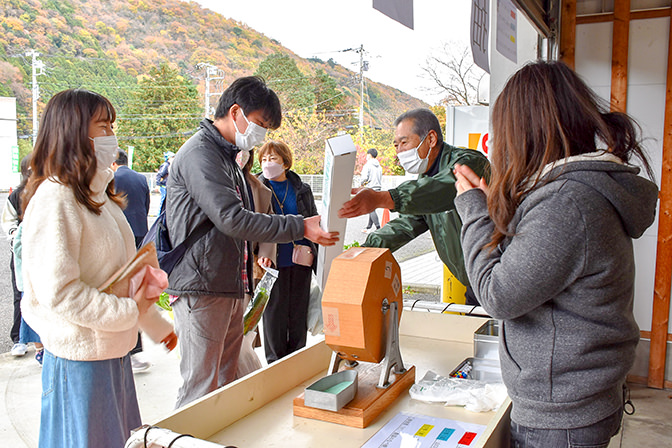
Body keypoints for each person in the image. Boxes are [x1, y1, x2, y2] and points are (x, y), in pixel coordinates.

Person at [453, 61, 658, 448]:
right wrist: (493, 207)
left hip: (561, 416)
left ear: (523, 131)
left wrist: (474, 209)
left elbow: (497, 294)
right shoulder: (574, 190)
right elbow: (535, 259)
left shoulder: (567, 203)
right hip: (581, 398)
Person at [166, 76, 338, 408]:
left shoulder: (227, 157)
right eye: (259, 124)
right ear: (235, 112)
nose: (260, 136)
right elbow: (233, 219)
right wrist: (299, 226)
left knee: (224, 384)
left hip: (227, 285)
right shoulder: (201, 154)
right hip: (202, 288)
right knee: (201, 388)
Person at [20, 89, 177, 448]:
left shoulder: (99, 197)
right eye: (102, 126)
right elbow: (59, 292)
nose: (111, 136)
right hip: (81, 359)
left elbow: (118, 278)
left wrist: (154, 323)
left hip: (111, 351)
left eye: (111, 126)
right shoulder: (55, 199)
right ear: (72, 131)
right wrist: (128, 312)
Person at [339, 108, 489, 303]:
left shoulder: (469, 162)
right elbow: (406, 224)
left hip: (499, 276)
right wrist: (363, 251)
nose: (400, 151)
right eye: (396, 145)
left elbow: (441, 190)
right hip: (474, 284)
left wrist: (382, 198)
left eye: (404, 142)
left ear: (431, 139)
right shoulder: (425, 179)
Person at [257, 140, 318, 364]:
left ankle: (297, 359)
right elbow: (254, 224)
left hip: (301, 260)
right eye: (264, 159)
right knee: (274, 315)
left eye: (272, 159)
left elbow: (313, 220)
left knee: (298, 312)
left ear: (285, 162)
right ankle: (275, 363)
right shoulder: (257, 187)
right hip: (272, 262)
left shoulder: (301, 189)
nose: (267, 163)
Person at [236, 148, 275, 378]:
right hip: (216, 272)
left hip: (248, 267)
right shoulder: (211, 179)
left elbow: (269, 224)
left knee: (244, 329)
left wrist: (266, 252)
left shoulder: (259, 188)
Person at [112, 148, 152, 373]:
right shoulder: (140, 178)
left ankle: (131, 350)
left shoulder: (112, 178)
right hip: (140, 234)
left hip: (120, 236)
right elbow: (146, 206)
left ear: (114, 163)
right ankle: (135, 349)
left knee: (123, 291)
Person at [2, 154, 31, 357]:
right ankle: (19, 339)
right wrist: (15, 235)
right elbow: (8, 222)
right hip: (21, 254)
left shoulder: (49, 192)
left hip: (45, 251)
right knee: (20, 293)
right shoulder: (17, 195)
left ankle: (40, 340)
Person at [359, 148, 383, 233]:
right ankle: (368, 227)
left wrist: (361, 183)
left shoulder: (368, 165)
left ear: (369, 155)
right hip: (378, 188)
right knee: (372, 208)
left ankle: (378, 228)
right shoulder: (379, 166)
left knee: (370, 209)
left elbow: (364, 178)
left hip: (370, 188)